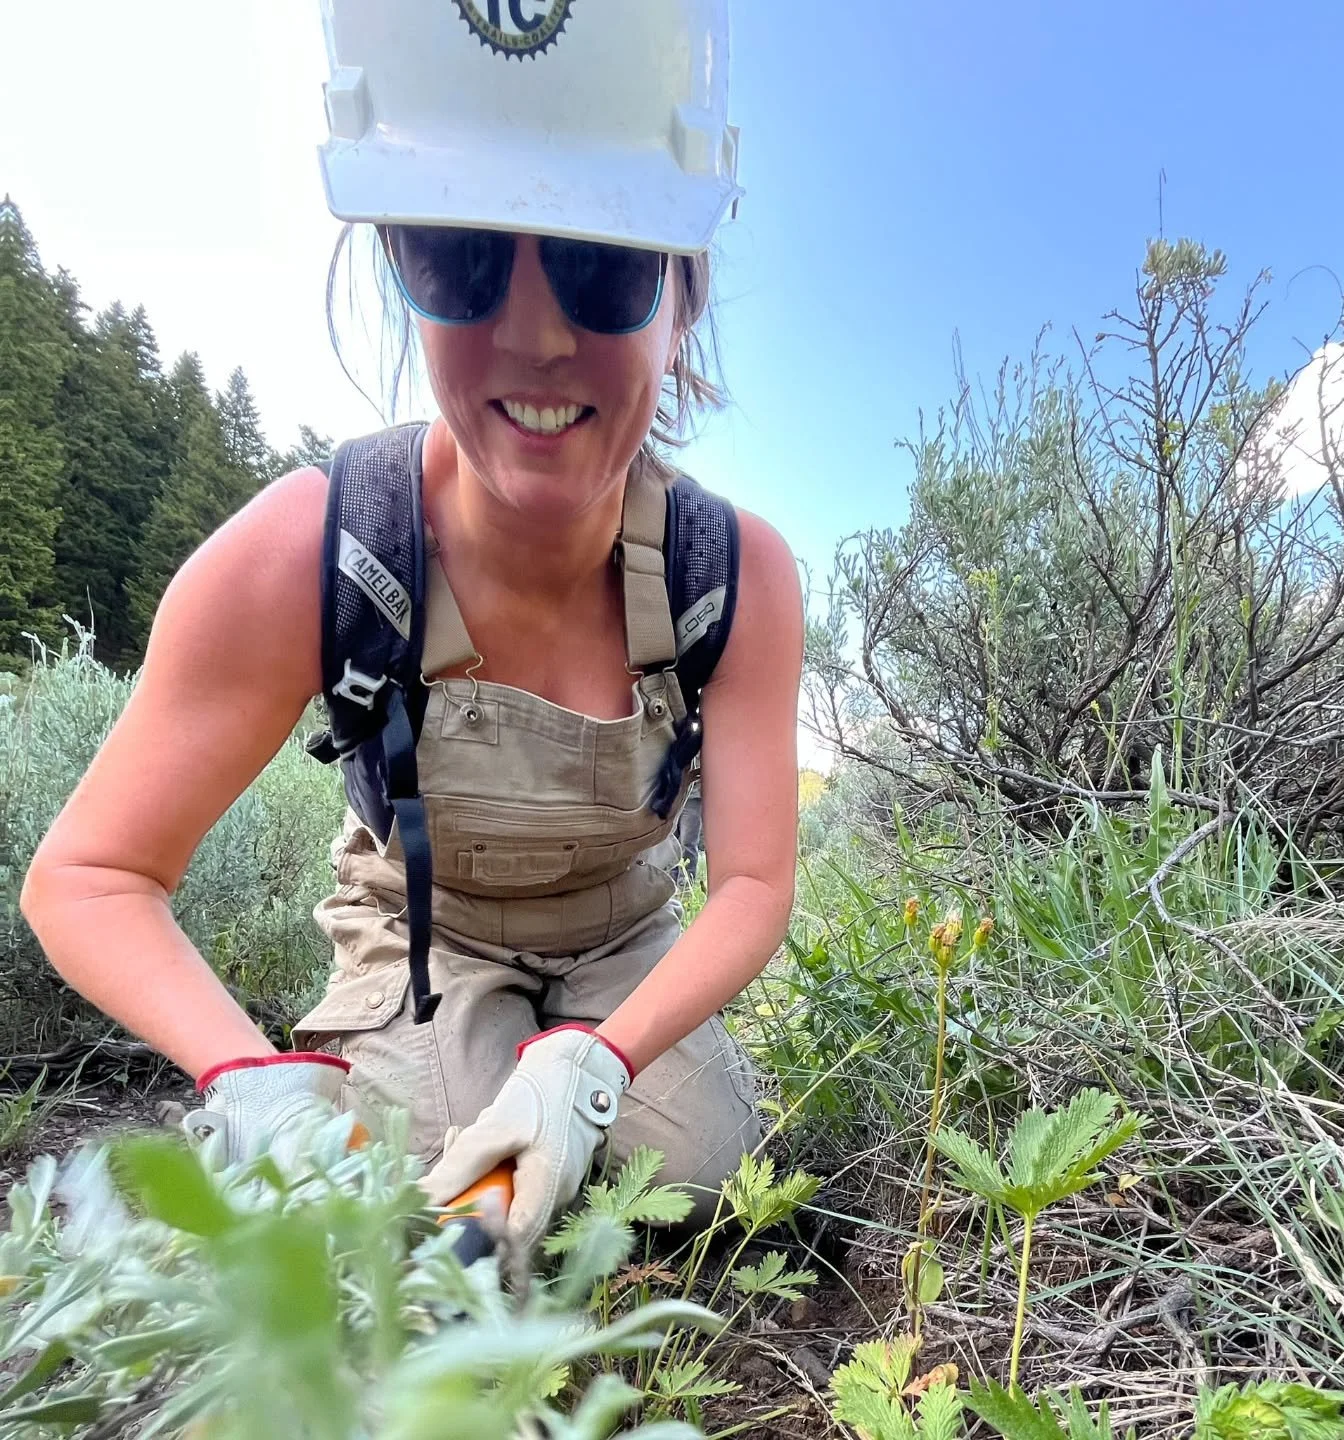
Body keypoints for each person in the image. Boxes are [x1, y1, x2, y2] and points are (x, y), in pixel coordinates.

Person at [20, 0, 802, 1251]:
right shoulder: (310, 550)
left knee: (708, 1182)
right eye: (459, 255)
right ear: (394, 264)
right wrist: (250, 1084)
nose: (539, 336)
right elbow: (91, 877)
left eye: (607, 268)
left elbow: (753, 883)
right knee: (431, 1204)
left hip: (628, 944)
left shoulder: (735, 573)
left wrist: (593, 1068)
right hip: (425, 937)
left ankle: (550, 1054)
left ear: (681, 298)